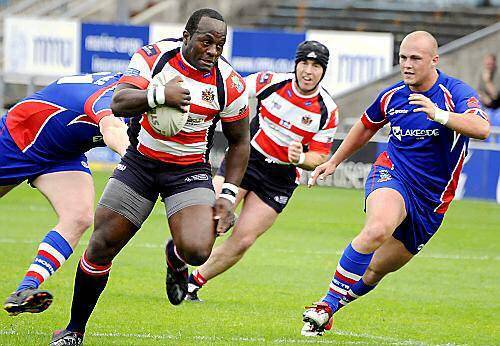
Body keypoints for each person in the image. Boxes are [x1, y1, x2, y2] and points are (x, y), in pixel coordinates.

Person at [49, 8, 250, 345]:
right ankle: (73, 330)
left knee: (198, 251)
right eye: (206, 42)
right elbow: (119, 101)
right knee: (102, 245)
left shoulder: (228, 83)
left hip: (189, 171)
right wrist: (160, 96)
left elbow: (240, 142)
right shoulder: (153, 57)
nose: (213, 51)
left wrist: (228, 196)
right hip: (141, 164)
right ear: (186, 37)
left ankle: (176, 256)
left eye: (220, 45)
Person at [301, 31, 490, 337]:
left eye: (415, 58)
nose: (407, 64)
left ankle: (330, 308)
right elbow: (365, 125)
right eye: (403, 57)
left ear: (434, 60)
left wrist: (440, 115)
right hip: (393, 174)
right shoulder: (392, 96)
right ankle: (324, 305)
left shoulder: (454, 92)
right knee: (377, 229)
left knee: (376, 270)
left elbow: (482, 128)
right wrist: (334, 161)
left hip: (432, 202)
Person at [184, 41, 339, 302]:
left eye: (316, 66)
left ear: (323, 71)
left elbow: (320, 156)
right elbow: (233, 91)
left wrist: (301, 157)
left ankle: (193, 282)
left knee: (243, 239)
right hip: (248, 160)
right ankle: (177, 258)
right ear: (296, 64)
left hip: (281, 178)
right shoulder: (272, 82)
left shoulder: (327, 110)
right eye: (304, 63)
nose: (308, 71)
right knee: (210, 217)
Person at [1, 72, 129, 316]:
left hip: (63, 154)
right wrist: (137, 162)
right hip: (19, 139)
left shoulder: (149, 97)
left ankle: (25, 290)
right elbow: (112, 128)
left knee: (79, 217)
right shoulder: (111, 95)